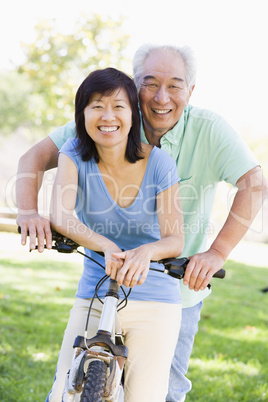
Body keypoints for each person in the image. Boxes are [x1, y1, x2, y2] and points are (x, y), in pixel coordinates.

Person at [16, 44, 267, 401]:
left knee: (164, 391)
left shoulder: (206, 131)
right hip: (101, 280)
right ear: (136, 88)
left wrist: (217, 253)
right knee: (67, 387)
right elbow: (34, 158)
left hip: (176, 286)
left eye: (175, 86)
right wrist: (28, 212)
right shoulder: (106, 118)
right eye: (150, 84)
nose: (162, 97)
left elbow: (254, 184)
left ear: (190, 91)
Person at [47, 67, 184, 401]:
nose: (107, 116)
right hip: (95, 289)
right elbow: (60, 215)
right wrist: (106, 246)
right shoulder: (74, 152)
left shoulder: (159, 163)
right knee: (63, 394)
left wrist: (144, 253)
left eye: (118, 106)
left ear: (133, 114)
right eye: (96, 105)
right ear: (82, 114)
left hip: (155, 298)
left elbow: (174, 240)